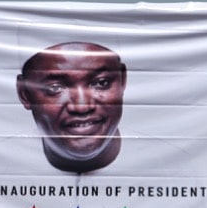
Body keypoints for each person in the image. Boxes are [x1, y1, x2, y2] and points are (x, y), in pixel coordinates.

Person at [16, 42, 128, 174]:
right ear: (25, 94)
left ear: (122, 81)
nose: (82, 107)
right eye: (55, 88)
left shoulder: (156, 160)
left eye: (101, 82)